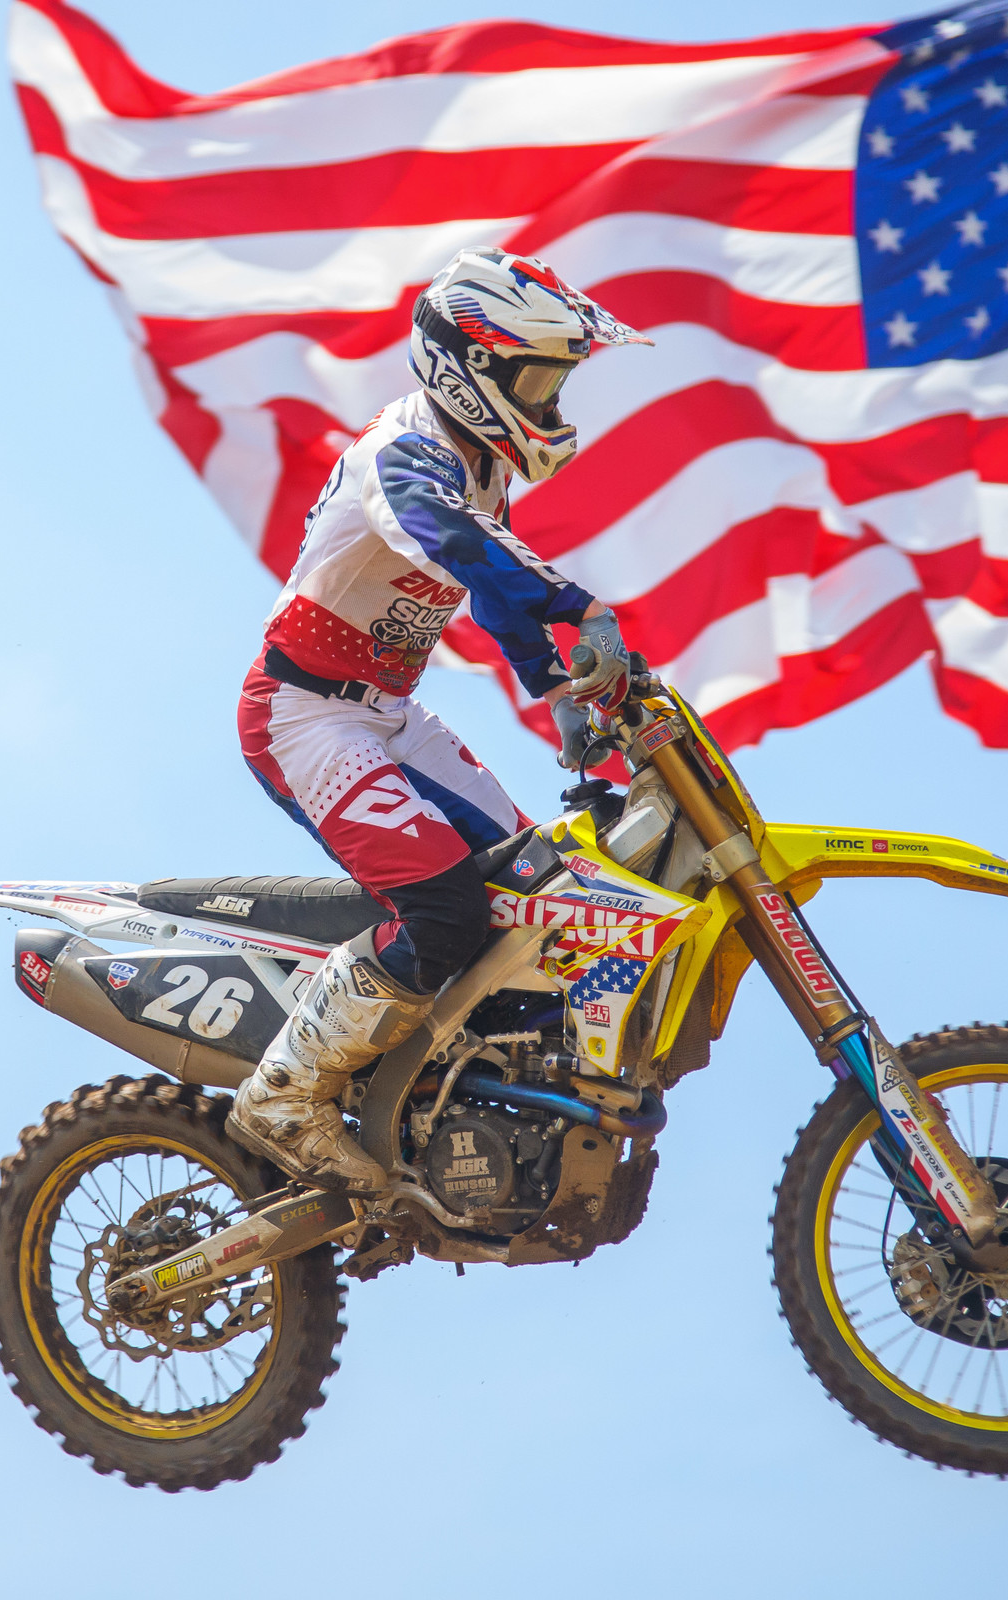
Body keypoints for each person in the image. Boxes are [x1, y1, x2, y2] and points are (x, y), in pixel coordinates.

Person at [228, 247, 650, 1192]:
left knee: (542, 897)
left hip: (388, 712)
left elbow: (492, 586)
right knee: (446, 908)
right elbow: (455, 540)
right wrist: (582, 607)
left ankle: (454, 1103)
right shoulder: (405, 455)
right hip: (303, 715)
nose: (551, 401)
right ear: (473, 368)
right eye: (537, 379)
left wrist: (560, 690)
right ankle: (283, 1094)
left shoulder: (481, 462)